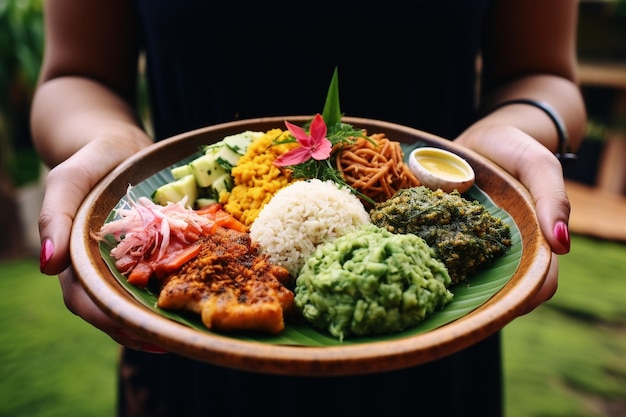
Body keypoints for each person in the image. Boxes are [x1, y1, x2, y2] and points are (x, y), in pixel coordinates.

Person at [31, 1, 586, 416]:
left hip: (435, 337)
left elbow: (545, 73)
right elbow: (76, 76)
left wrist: (512, 135)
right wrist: (105, 148)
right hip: (185, 361)